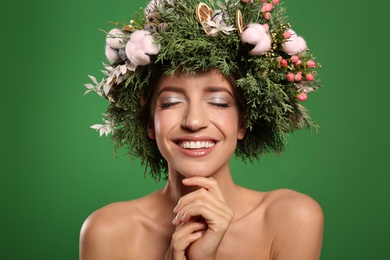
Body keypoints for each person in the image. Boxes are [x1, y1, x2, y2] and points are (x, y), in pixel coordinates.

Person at [81, 0, 324, 259]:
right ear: (150, 123)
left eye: (218, 102)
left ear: (243, 122)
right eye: (171, 102)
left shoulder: (291, 218)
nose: (194, 122)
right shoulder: (107, 231)